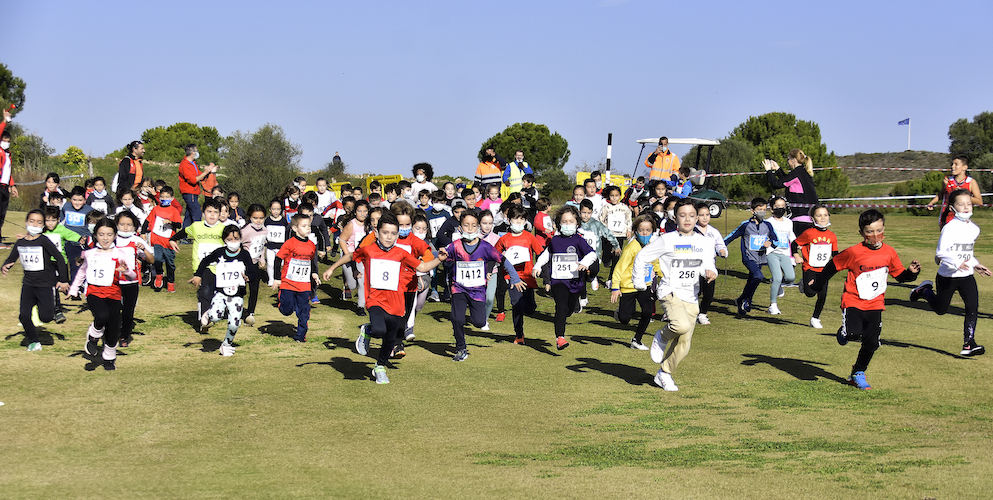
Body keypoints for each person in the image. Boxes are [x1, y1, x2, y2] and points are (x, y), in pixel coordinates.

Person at [324, 212, 446, 384]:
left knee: (391, 339)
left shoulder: (401, 254)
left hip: (396, 302)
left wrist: (439, 260)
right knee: (380, 330)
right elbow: (350, 255)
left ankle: (379, 367)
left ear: (397, 235)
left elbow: (423, 265)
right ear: (377, 232)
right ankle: (368, 330)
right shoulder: (369, 250)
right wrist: (332, 268)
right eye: (385, 233)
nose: (389, 237)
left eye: (393, 233)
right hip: (375, 299)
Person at [807, 209, 921, 390]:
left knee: (872, 342)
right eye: (870, 232)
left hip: (875, 303)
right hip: (853, 300)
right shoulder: (853, 252)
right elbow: (832, 266)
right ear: (862, 233)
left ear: (884, 229)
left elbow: (900, 276)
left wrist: (911, 274)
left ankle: (858, 372)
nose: (875, 236)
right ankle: (843, 333)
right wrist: (817, 284)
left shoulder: (889, 253)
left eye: (879, 231)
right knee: (853, 334)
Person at [634, 198, 718, 391]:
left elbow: (708, 263)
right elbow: (642, 257)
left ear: (697, 218)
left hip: (692, 295)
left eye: (691, 215)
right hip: (670, 291)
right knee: (680, 325)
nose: (687, 219)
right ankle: (661, 337)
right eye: (682, 215)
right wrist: (639, 282)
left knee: (684, 343)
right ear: (675, 217)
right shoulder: (667, 239)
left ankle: (664, 373)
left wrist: (710, 271)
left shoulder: (704, 242)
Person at [911, 189, 990, 356]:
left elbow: (967, 253)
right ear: (952, 208)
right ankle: (924, 291)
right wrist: (955, 262)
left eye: (969, 203)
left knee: (972, 307)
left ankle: (969, 343)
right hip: (947, 276)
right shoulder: (949, 228)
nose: (966, 207)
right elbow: (940, 252)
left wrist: (975, 264)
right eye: (961, 204)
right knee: (941, 309)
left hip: (966, 276)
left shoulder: (974, 229)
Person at [445, 210, 523, 361]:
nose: (470, 228)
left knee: (479, 322)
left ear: (477, 228)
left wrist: (515, 277)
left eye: (473, 225)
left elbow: (503, 260)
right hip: (458, 288)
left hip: (478, 291)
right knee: (457, 318)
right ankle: (461, 348)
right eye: (466, 225)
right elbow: (441, 257)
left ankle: (476, 319)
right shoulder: (454, 246)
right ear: (460, 228)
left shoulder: (485, 247)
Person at [69, 217, 138, 370]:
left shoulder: (119, 253)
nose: (105, 238)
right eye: (101, 234)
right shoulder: (90, 253)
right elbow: (82, 271)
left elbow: (133, 276)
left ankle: (108, 357)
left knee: (113, 327)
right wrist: (74, 289)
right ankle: (93, 336)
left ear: (114, 235)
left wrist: (126, 270)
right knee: (102, 316)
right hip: (94, 292)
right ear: (95, 235)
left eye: (109, 234)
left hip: (113, 293)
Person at [2, 210, 70, 352]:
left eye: (39, 222)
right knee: (24, 316)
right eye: (32, 221)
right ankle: (34, 341)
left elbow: (59, 258)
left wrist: (63, 280)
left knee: (45, 317)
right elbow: (11, 258)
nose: (35, 224)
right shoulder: (20, 242)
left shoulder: (44, 240)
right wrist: (6, 265)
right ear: (26, 222)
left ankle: (45, 307)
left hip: (45, 284)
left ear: (43, 225)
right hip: (28, 285)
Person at [532, 205, 598, 350]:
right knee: (560, 306)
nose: (568, 225)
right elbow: (546, 254)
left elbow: (592, 254)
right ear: (559, 224)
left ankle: (573, 306)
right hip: (558, 280)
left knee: (568, 310)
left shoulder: (579, 240)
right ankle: (560, 338)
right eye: (564, 222)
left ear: (577, 223)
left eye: (571, 222)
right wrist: (537, 266)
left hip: (575, 282)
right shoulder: (555, 240)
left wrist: (584, 263)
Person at [192, 225, 257, 356]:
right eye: (229, 239)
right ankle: (208, 314)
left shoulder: (244, 254)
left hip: (237, 295)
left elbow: (253, 272)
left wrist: (248, 277)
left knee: (234, 324)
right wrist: (198, 275)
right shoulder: (219, 252)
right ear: (224, 240)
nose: (233, 242)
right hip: (220, 293)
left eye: (236, 239)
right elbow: (205, 261)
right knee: (216, 317)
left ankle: (226, 344)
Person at [170, 198, 226, 323]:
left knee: (215, 292)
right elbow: (184, 232)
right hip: (201, 266)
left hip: (219, 267)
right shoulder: (197, 227)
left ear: (220, 214)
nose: (212, 214)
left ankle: (213, 312)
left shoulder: (223, 229)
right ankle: (204, 319)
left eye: (215, 212)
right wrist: (172, 239)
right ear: (203, 213)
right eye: (209, 211)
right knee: (205, 290)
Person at [611, 214, 661, 349]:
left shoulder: (652, 246)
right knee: (625, 318)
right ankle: (620, 312)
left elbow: (655, 262)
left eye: (648, 230)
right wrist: (615, 287)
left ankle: (636, 340)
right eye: (641, 230)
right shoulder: (631, 248)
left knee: (647, 311)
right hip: (629, 286)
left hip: (645, 286)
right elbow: (619, 267)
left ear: (652, 231)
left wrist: (664, 276)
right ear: (635, 231)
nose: (645, 233)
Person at [724, 198, 778, 317]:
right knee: (759, 276)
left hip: (761, 259)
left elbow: (777, 240)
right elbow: (731, 236)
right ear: (752, 211)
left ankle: (741, 300)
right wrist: (721, 247)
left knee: (752, 279)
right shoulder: (746, 225)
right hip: (748, 258)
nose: (762, 212)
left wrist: (771, 243)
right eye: (760, 210)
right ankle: (747, 300)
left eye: (764, 210)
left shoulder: (768, 225)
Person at [271, 213, 321, 343]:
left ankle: (300, 335)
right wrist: (277, 278)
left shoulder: (311, 245)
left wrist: (314, 273)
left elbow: (312, 261)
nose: (308, 228)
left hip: (304, 284)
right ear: (295, 228)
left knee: (304, 311)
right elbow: (278, 259)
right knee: (286, 310)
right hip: (288, 282)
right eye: (304, 226)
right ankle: (283, 303)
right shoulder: (290, 243)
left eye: (309, 226)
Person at [793, 204, 838, 329]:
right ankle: (803, 283)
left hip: (824, 270)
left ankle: (815, 318)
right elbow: (794, 243)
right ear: (813, 218)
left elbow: (835, 254)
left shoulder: (832, 236)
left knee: (822, 294)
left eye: (825, 215)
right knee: (810, 293)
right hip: (810, 268)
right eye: (819, 215)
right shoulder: (808, 233)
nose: (823, 218)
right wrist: (796, 254)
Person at [114, 211, 154, 347]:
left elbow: (151, 260)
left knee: (128, 310)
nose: (125, 227)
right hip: (113, 281)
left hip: (131, 281)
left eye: (129, 225)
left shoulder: (137, 240)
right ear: (116, 225)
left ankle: (124, 335)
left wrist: (144, 250)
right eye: (122, 224)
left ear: (134, 226)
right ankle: (110, 332)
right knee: (113, 308)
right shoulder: (112, 239)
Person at [763, 149, 819, 235]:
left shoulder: (797, 173)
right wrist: (778, 169)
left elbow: (777, 184)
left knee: (794, 244)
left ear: (794, 160)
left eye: (788, 159)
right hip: (809, 216)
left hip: (800, 218)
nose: (787, 162)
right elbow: (787, 181)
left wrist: (768, 171)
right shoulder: (802, 172)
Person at [142, 186, 183, 292]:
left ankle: (170, 281)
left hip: (169, 241)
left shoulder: (173, 210)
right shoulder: (156, 209)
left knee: (170, 263)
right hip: (157, 240)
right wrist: (143, 232)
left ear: (172, 198)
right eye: (163, 196)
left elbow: (178, 225)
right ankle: (159, 274)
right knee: (158, 259)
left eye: (167, 197)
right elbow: (147, 221)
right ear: (159, 197)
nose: (164, 198)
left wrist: (170, 222)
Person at [926, 155, 984, 228]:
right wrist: (931, 203)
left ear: (964, 167)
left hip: (962, 219)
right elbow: (941, 194)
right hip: (946, 218)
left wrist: (962, 195)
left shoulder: (970, 182)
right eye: (952, 164)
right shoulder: (947, 180)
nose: (953, 167)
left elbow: (979, 201)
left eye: (956, 164)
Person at [695, 202, 728, 325]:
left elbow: (720, 244)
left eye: (707, 214)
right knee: (696, 291)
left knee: (709, 293)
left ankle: (703, 314)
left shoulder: (713, 231)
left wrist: (722, 251)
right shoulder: (692, 230)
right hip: (695, 265)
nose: (705, 217)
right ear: (696, 216)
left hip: (710, 265)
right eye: (701, 215)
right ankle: (692, 313)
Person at [765, 196, 796, 315]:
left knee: (790, 278)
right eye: (777, 206)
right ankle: (773, 305)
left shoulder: (789, 222)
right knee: (777, 277)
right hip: (772, 253)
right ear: (772, 209)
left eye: (783, 206)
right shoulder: (768, 222)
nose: (780, 209)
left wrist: (798, 244)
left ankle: (777, 284)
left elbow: (791, 236)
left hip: (785, 253)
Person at [239, 204, 268, 327]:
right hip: (242, 265)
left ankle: (250, 313)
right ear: (250, 217)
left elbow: (261, 246)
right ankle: (236, 311)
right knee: (240, 289)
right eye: (255, 218)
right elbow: (237, 245)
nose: (258, 221)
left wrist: (262, 259)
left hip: (255, 265)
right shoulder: (245, 231)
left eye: (261, 218)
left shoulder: (265, 230)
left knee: (254, 289)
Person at [178, 144, 218, 229]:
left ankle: (184, 235)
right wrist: (206, 172)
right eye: (196, 150)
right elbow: (193, 180)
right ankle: (199, 232)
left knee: (189, 215)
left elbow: (199, 174)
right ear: (192, 152)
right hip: (189, 192)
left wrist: (209, 171)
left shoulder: (193, 163)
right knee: (197, 213)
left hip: (194, 192)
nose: (197, 152)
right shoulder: (185, 165)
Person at [0, 107, 19, 247]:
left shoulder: (8, 154)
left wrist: (13, 186)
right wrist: (5, 121)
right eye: (4, 139)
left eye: (8, 140)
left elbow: (8, 172)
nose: (6, 142)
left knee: (2, 214)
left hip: (5, 187)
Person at [263, 199, 289, 287]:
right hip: (270, 246)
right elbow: (264, 231)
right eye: (274, 209)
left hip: (281, 247)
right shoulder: (267, 221)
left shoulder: (284, 221)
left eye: (278, 209)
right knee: (270, 263)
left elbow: (287, 233)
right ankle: (271, 279)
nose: (276, 211)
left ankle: (279, 278)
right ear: (270, 209)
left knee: (280, 264)